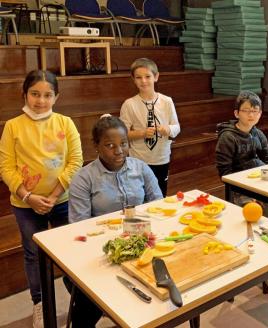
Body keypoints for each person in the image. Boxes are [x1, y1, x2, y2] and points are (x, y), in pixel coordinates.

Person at [0, 70, 83, 328]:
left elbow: (76, 160)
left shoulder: (65, 123)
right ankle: (40, 303)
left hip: (62, 200)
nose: (41, 100)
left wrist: (55, 194)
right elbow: (6, 167)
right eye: (35, 94)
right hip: (26, 205)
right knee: (33, 254)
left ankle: (81, 300)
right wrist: (28, 196)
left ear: (56, 97)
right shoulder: (13, 126)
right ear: (25, 94)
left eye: (47, 95)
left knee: (69, 251)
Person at [67, 115, 163, 327]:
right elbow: (79, 226)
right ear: (96, 146)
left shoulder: (141, 168)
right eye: (110, 145)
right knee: (87, 301)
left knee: (161, 287)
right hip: (102, 250)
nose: (119, 151)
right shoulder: (84, 178)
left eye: (123, 144)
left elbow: (159, 206)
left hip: (142, 243)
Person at [216, 91, 268, 294]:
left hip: (261, 187)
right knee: (262, 223)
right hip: (239, 191)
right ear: (236, 112)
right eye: (247, 111)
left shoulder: (258, 133)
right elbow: (225, 173)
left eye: (255, 111)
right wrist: (250, 185)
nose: (251, 115)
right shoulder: (228, 137)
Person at [120, 58, 180, 197]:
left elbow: (176, 127)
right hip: (139, 159)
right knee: (140, 195)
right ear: (133, 80)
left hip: (161, 158)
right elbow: (122, 134)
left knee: (160, 194)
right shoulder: (129, 104)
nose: (144, 81)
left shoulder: (167, 101)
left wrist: (168, 130)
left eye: (148, 76)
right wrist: (142, 133)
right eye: (139, 77)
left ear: (156, 77)